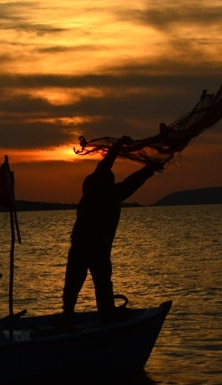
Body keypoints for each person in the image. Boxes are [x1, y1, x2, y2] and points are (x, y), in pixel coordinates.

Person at [62, 137, 161, 320]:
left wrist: (116, 148)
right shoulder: (109, 193)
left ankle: (67, 313)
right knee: (101, 283)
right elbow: (131, 182)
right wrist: (148, 170)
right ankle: (105, 314)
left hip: (80, 243)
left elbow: (106, 166)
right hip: (97, 246)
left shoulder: (90, 187)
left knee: (74, 282)